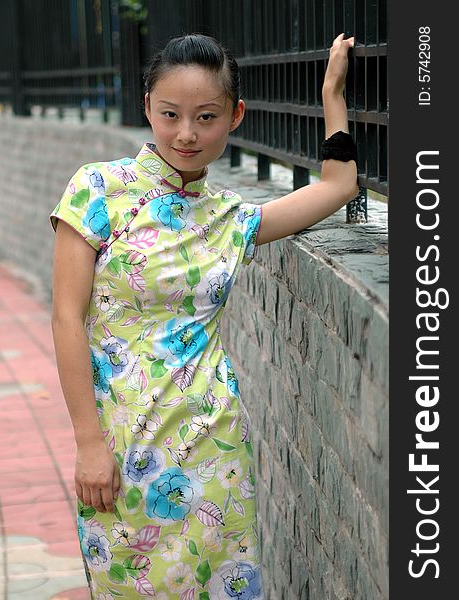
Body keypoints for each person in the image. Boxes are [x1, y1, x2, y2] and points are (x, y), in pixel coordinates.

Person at [50, 32, 357, 600]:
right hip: (118, 449)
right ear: (147, 107)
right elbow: (67, 319)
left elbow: (339, 186)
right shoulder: (98, 191)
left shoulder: (231, 219)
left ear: (235, 116)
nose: (186, 133)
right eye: (170, 114)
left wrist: (331, 93)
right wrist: (87, 442)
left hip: (214, 450)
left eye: (206, 116)